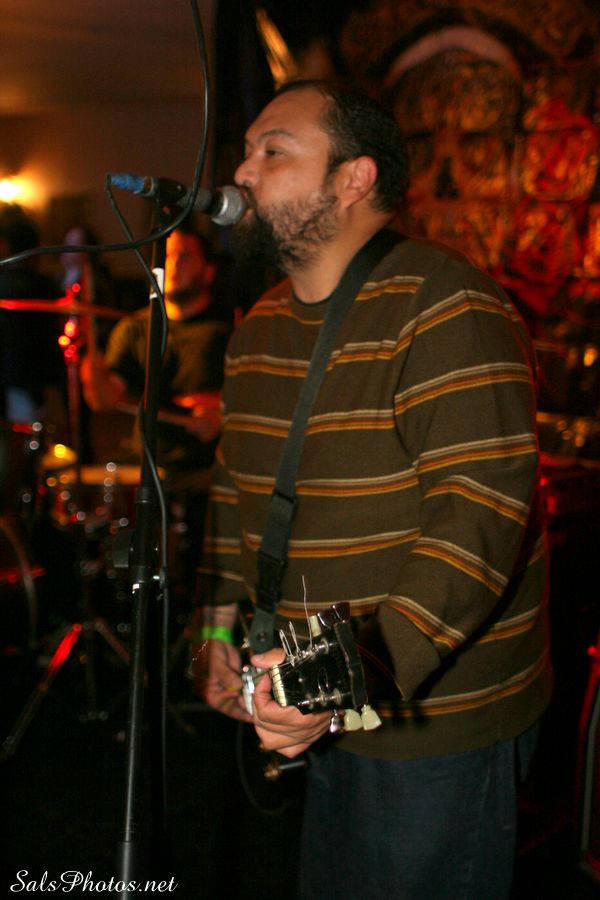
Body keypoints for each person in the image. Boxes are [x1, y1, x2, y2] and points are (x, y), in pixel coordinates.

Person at [193, 79, 552, 899]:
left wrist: (346, 674)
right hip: (318, 698)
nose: (242, 172)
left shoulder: (447, 304)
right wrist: (215, 634)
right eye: (246, 152)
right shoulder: (258, 329)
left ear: (354, 179)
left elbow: (479, 521)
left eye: (273, 150)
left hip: (432, 726)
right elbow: (235, 499)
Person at [80, 221, 231, 593]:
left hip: (205, 471)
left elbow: (252, 398)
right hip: (145, 466)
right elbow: (106, 399)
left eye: (186, 256)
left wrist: (223, 408)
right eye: (169, 257)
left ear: (209, 270)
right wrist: (91, 375)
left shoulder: (229, 328)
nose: (174, 264)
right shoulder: (135, 328)